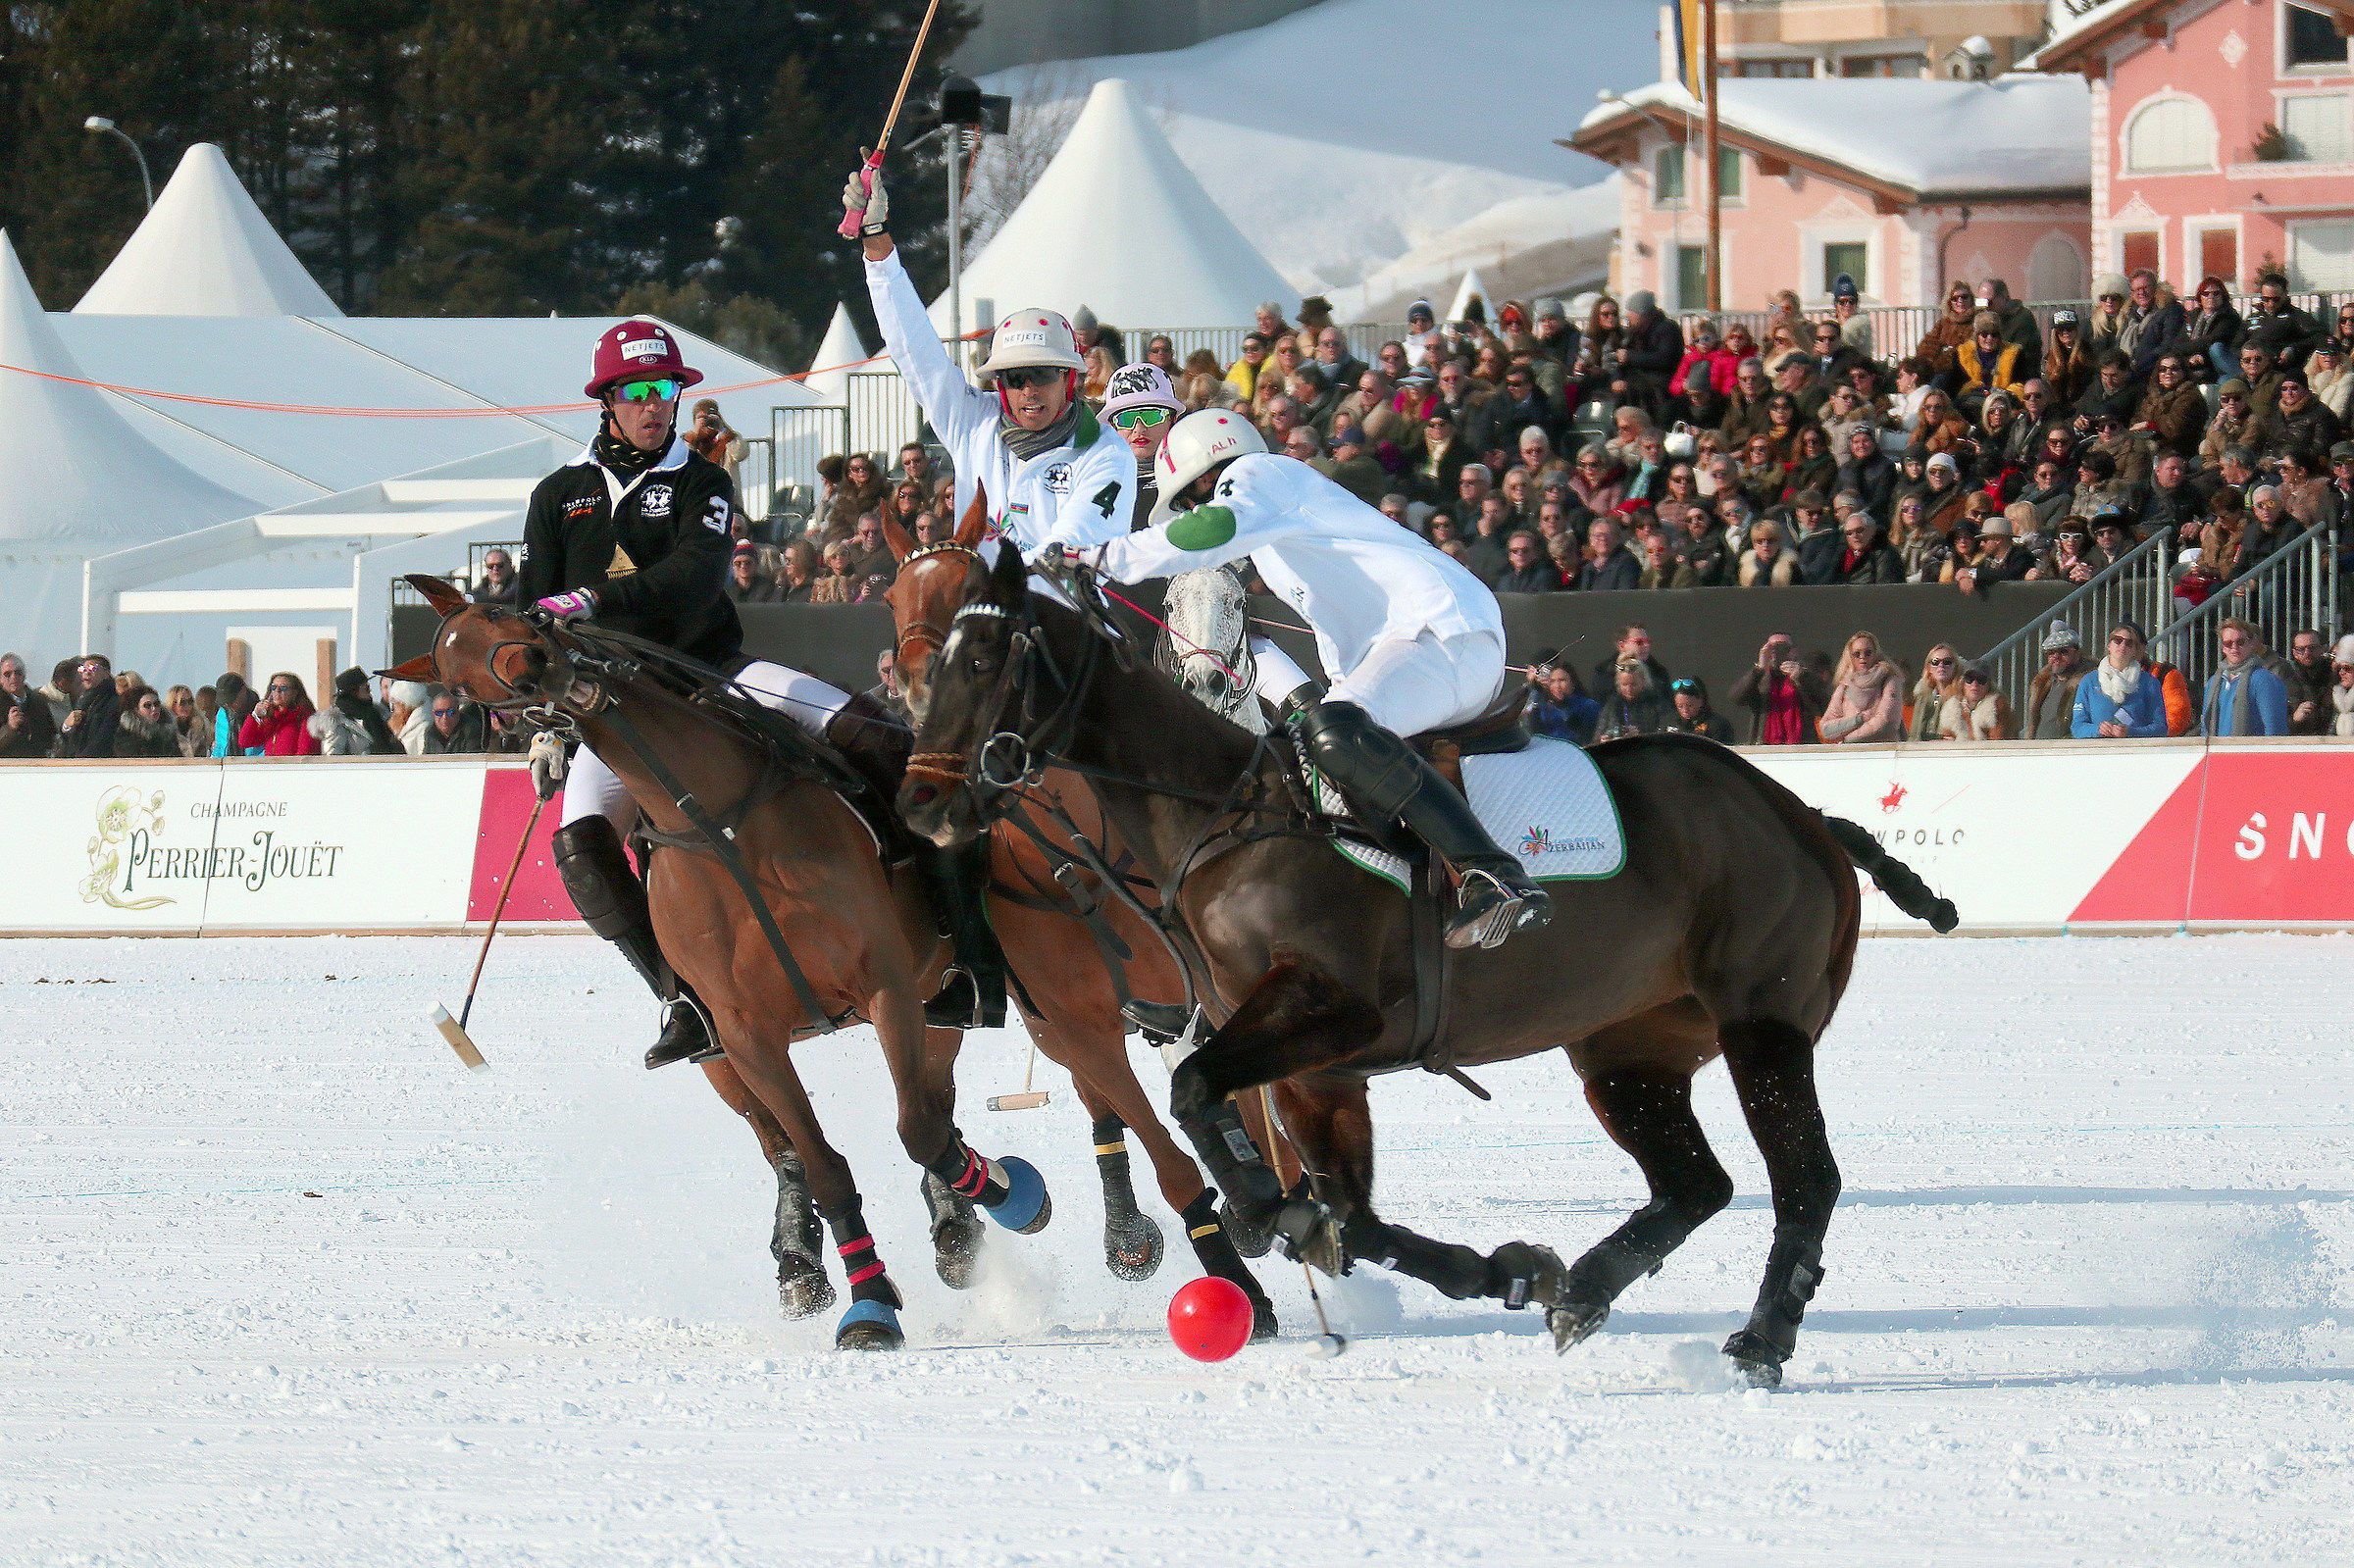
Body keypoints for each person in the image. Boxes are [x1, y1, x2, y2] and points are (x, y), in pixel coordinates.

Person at [1078, 409, 1552, 949]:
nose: (1191, 510)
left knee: (1334, 730)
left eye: (1188, 499)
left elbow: (1216, 527)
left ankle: (1491, 873)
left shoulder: (1259, 473)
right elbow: (1332, 641)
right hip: (1416, 646)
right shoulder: (1280, 540)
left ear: (1211, 471)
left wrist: (1100, 555)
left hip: (1443, 632)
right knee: (1308, 750)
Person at [2070, 623, 2167, 738]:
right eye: (2118, 640)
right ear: (2109, 646)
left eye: (2129, 643)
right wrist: (2097, 729)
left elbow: (2161, 728)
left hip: (2136, 751)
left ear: (2135, 651)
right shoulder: (2089, 681)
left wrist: (2131, 732)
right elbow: (2077, 727)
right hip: (2098, 751)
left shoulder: (2149, 682)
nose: (2123, 645)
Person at [1730, 632, 1827, 743]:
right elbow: (1736, 698)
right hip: (1764, 745)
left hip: (1801, 745)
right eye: (1772, 648)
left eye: (1783, 647)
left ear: (1794, 651)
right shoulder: (1759, 677)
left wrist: (1801, 677)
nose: (1776, 652)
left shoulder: (1804, 675)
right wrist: (1759, 669)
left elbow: (1823, 705)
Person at [2205, 618, 2289, 735]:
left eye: (2240, 642)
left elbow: (2275, 729)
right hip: (2219, 752)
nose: (2234, 648)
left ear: (2250, 644)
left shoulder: (2265, 680)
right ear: (2223, 648)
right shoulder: (2213, 682)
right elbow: (2206, 728)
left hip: (2251, 752)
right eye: (2228, 643)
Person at [1817, 632, 1903, 744]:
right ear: (1850, 657)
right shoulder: (1844, 687)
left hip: (1883, 753)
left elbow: (1885, 722)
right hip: (1853, 755)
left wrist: (1849, 739)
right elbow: (1826, 730)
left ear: (1876, 654)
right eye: (1857, 654)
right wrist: (1860, 719)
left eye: (1868, 653)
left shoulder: (1889, 680)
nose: (1862, 657)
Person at [2023, 621, 2089, 739]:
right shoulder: (2043, 684)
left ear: (2077, 653)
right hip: (2041, 752)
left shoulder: (2089, 682)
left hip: (2070, 752)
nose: (2056, 656)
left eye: (2063, 651)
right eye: (2051, 652)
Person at [237, 673, 322, 756]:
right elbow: (245, 742)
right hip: (271, 768)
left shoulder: (305, 718)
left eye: (283, 688)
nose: (277, 691)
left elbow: (305, 753)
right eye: (273, 687)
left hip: (291, 768)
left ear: (294, 693)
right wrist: (255, 715)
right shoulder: (271, 719)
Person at [56, 654, 120, 757]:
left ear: (106, 673)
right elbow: (70, 741)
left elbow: (103, 739)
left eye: (92, 668)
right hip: (78, 764)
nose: (87, 673)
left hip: (98, 765)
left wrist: (82, 760)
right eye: (83, 669)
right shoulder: (83, 700)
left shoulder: (113, 701)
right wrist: (66, 726)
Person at [1528, 656, 1599, 744]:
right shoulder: (1542, 710)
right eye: (1553, 681)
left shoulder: (1588, 706)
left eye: (1562, 680)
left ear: (1572, 682)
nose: (1557, 686)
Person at [0, 651, 57, 758]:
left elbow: (51, 736)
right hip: (7, 768)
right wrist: (10, 728)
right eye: (7, 674)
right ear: (1, 679)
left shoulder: (38, 701)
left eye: (18, 672)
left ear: (24, 676)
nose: (13, 677)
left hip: (35, 766)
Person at [1595, 659, 1669, 737]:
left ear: (1643, 681)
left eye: (1633, 685)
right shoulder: (1612, 705)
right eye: (1624, 685)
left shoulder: (1656, 702)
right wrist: (1604, 740)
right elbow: (1597, 736)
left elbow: (1664, 733)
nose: (1629, 689)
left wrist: (1639, 735)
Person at [1939, 667, 2013, 740]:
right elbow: (1945, 742)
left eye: (1981, 680)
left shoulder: (1997, 707)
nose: (1975, 684)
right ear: (1962, 683)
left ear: (1989, 684)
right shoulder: (1951, 709)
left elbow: (1998, 745)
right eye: (1969, 679)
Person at [1911, 644, 1964, 740]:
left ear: (1955, 666)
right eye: (1935, 662)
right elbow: (1915, 733)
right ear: (1929, 668)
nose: (1941, 666)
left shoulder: (1963, 695)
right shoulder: (1922, 696)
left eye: (1947, 662)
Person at [1663, 676, 1731, 741]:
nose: (1685, 711)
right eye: (1680, 706)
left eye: (1690, 706)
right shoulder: (1669, 721)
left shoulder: (1717, 725)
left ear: (1701, 701)